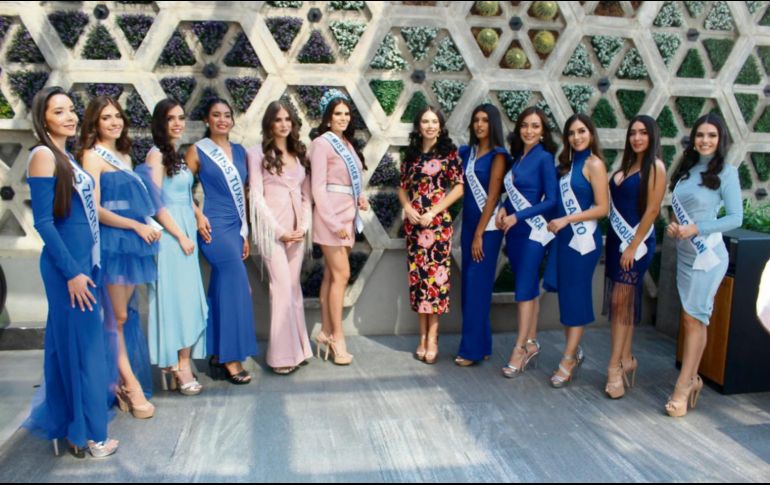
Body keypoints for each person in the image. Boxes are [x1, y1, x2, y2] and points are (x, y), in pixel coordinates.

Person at [23, 87, 118, 458]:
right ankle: (90, 435)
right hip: (68, 271)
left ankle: (73, 429)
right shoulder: (43, 155)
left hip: (83, 265)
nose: (69, 116)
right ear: (43, 118)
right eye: (58, 111)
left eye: (71, 109)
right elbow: (44, 223)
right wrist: (72, 273)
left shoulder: (66, 157)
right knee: (84, 352)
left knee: (74, 348)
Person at [78, 96, 158, 417]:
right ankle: (129, 384)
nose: (114, 122)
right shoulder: (91, 157)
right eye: (106, 118)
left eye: (117, 116)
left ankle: (120, 380)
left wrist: (145, 225)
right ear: (94, 123)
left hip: (131, 242)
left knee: (122, 317)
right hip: (112, 241)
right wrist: (135, 226)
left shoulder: (124, 155)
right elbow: (94, 209)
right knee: (117, 316)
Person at [665, 113, 742, 417]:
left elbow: (735, 218)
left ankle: (683, 387)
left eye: (711, 135)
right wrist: (674, 227)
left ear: (720, 139)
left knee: (694, 318)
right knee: (689, 318)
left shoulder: (727, 173)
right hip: (685, 254)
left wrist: (698, 228)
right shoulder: (686, 171)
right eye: (700, 135)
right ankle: (693, 378)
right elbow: (679, 213)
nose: (705, 140)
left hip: (707, 255)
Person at [185, 98, 256, 384]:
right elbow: (179, 189)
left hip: (235, 229)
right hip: (213, 228)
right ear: (207, 120)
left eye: (227, 115)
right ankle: (230, 359)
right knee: (236, 287)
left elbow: (244, 194)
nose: (222, 120)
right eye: (216, 115)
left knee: (222, 288)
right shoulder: (197, 150)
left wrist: (245, 233)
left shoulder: (240, 151)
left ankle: (217, 352)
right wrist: (198, 215)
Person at [145, 99, 207, 395]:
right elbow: (156, 203)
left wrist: (198, 214)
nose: (177, 123)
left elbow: (183, 194)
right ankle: (178, 364)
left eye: (181, 117)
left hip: (186, 232)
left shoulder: (177, 155)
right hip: (171, 238)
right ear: (160, 122)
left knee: (189, 301)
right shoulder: (155, 155)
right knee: (176, 301)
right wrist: (180, 235)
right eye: (171, 118)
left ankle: (182, 360)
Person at [247, 100, 313, 374]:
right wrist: (279, 231)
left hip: (297, 231)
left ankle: (299, 349)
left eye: (288, 119)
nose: (284, 124)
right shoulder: (256, 153)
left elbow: (306, 196)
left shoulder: (299, 153)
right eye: (278, 119)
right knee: (281, 288)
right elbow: (256, 197)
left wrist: (303, 228)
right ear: (269, 124)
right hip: (272, 232)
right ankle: (281, 357)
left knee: (293, 288)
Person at [603, 115, 666, 399]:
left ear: (652, 137)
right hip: (617, 241)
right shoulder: (627, 166)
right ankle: (626, 359)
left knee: (620, 302)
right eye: (633, 133)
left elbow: (652, 210)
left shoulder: (655, 167)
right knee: (623, 304)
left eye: (643, 133)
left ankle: (614, 367)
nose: (637, 138)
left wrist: (632, 246)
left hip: (635, 245)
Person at [546, 113, 609, 388]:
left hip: (583, 242)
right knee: (566, 298)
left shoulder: (595, 164)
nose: (577, 137)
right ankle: (574, 350)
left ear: (591, 134)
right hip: (565, 240)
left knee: (576, 296)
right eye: (571, 133)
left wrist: (567, 219)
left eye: (582, 131)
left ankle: (568, 359)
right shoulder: (568, 166)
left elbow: (603, 208)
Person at [495, 107, 558, 378]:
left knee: (523, 290)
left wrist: (517, 215)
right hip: (515, 232)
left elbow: (551, 200)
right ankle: (531, 342)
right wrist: (503, 207)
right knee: (529, 287)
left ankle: (519, 349)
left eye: (535, 126)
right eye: (524, 125)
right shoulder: (518, 158)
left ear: (543, 132)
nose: (529, 131)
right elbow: (514, 194)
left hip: (533, 233)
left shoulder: (544, 158)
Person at [399, 105, 463, 364]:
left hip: (437, 227)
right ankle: (422, 337)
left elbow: (459, 187)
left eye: (434, 121)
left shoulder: (448, 154)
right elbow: (402, 187)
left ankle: (433, 338)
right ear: (418, 126)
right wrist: (408, 208)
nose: (430, 125)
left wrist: (433, 211)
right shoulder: (411, 155)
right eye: (425, 121)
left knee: (434, 283)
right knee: (418, 281)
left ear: (440, 126)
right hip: (414, 228)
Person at [310, 90, 369, 365]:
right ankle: (338, 337)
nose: (343, 118)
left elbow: (350, 182)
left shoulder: (347, 143)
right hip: (330, 218)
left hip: (347, 215)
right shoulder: (322, 144)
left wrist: (360, 198)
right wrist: (334, 223)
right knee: (342, 274)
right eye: (337, 114)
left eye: (346, 113)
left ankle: (324, 331)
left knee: (332, 276)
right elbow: (318, 188)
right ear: (327, 118)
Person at [455, 104, 507, 367]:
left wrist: (478, 234)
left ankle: (471, 351)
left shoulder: (498, 155)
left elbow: (493, 197)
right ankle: (483, 344)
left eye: (485, 120)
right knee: (472, 287)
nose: (479, 125)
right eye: (476, 120)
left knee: (476, 287)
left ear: (493, 124)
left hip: (486, 231)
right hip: (469, 228)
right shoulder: (468, 153)